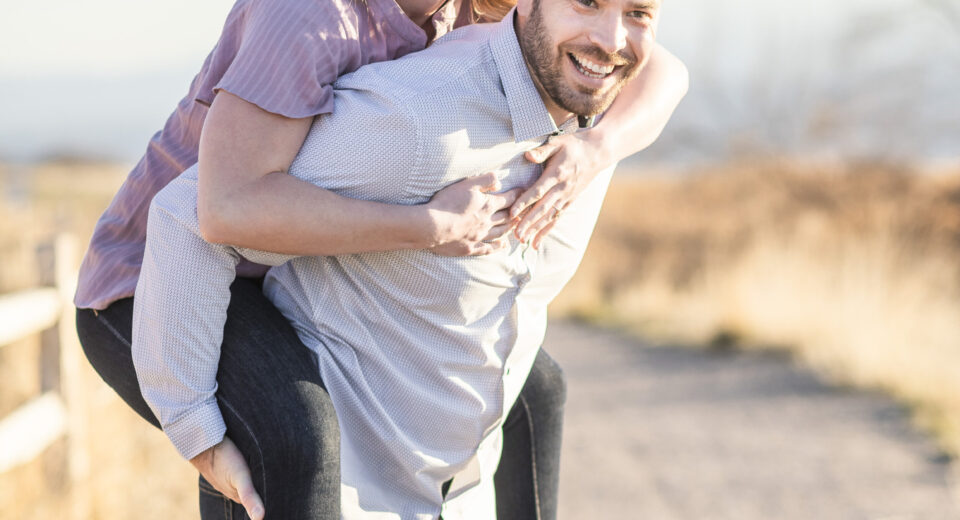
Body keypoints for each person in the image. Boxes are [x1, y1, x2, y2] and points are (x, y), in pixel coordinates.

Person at [74, 0, 686, 518]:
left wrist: (596, 146)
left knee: (534, 389)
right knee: (298, 438)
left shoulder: (464, 8)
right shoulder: (309, 17)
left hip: (281, 264)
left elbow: (655, 65)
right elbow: (216, 212)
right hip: (155, 276)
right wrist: (427, 227)